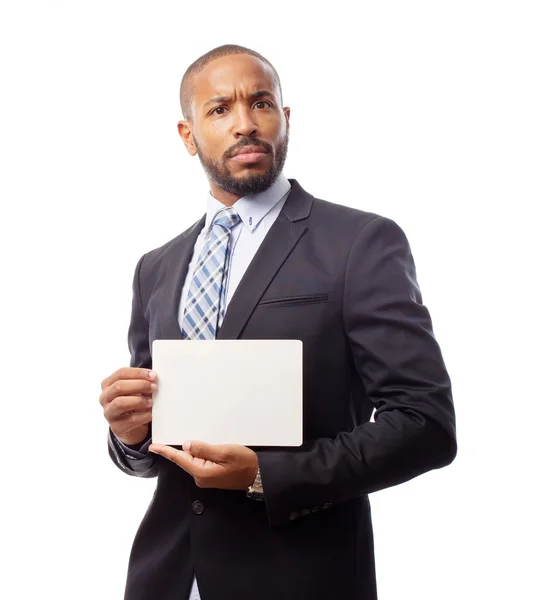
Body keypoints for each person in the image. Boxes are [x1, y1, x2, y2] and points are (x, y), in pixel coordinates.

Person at [100, 44, 457, 600]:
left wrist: (267, 475)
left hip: (300, 578)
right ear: (187, 134)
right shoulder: (156, 267)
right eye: (219, 109)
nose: (245, 123)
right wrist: (130, 437)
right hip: (165, 578)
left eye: (261, 103)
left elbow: (425, 423)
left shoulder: (358, 243)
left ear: (284, 120)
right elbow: (159, 440)